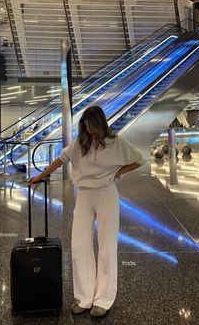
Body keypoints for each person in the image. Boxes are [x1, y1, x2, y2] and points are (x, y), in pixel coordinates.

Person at [28, 106, 146, 317]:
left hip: (107, 194)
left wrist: (119, 171)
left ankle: (104, 299)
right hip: (84, 195)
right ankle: (84, 297)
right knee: (79, 245)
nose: (89, 130)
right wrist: (41, 176)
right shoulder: (80, 143)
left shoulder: (115, 142)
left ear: (100, 123)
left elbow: (139, 159)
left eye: (92, 126)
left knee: (107, 246)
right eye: (86, 125)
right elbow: (61, 159)